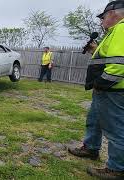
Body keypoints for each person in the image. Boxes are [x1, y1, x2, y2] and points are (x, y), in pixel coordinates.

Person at [68, 1, 124, 179]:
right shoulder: (113, 33)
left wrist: (101, 83)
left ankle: (117, 169)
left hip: (112, 90)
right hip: (105, 89)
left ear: (114, 14)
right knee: (94, 119)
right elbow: (107, 58)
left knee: (115, 128)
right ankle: (91, 148)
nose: (101, 21)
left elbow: (119, 64)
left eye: (103, 16)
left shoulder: (121, 29)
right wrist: (95, 50)